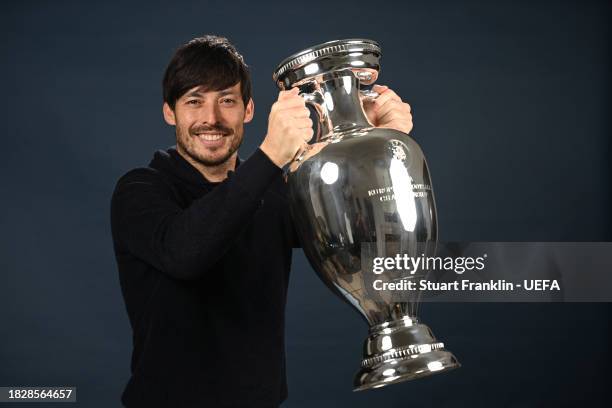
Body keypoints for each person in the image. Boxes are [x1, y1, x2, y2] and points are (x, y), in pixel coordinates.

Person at [110, 35, 413, 408]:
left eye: (227, 101)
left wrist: (379, 149)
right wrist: (271, 155)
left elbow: (362, 244)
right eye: (194, 101)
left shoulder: (273, 193)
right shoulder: (139, 190)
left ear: (248, 110)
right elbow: (185, 254)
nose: (212, 119)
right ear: (169, 112)